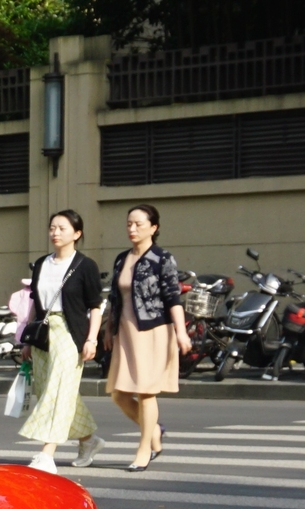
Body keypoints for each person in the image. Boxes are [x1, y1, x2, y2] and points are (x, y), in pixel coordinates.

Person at [16, 209, 108, 473]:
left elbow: (95, 306)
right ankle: (89, 441)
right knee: (53, 391)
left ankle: (47, 454)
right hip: (44, 335)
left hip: (71, 333)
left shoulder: (85, 265)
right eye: (52, 228)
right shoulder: (42, 263)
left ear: (76, 234)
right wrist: (26, 339)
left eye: (62, 228)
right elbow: (35, 302)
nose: (55, 233)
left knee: (58, 390)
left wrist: (91, 339)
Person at [101, 203, 188, 471]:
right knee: (118, 394)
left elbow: (173, 297)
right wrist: (108, 327)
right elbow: (115, 298)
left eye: (138, 224)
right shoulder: (121, 258)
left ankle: (143, 450)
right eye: (129, 223)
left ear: (154, 227)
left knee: (146, 393)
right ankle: (154, 432)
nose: (132, 228)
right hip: (125, 332)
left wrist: (181, 331)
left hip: (153, 332)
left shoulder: (162, 259)